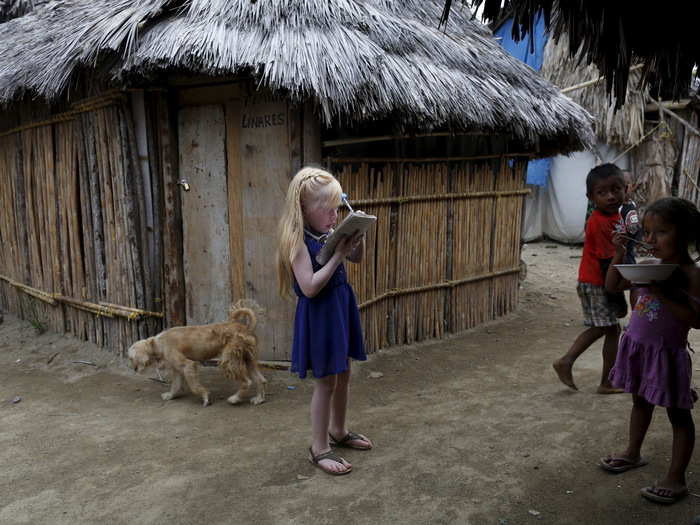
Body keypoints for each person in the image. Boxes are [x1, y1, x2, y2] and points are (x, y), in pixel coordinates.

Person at [600, 197, 700, 504]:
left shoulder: (692, 274)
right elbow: (613, 286)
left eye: (661, 232)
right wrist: (618, 253)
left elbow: (697, 320)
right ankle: (633, 452)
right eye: (646, 232)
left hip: (667, 355)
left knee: (678, 415)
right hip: (639, 350)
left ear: (684, 235)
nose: (650, 239)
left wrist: (664, 294)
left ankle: (676, 478)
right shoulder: (649, 267)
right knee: (639, 403)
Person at [276, 166, 372, 476]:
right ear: (304, 208)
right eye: (327, 210)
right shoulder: (297, 242)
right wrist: (338, 256)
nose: (334, 216)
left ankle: (338, 430)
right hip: (320, 315)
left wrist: (358, 237)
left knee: (343, 373)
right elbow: (309, 286)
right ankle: (318, 448)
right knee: (326, 381)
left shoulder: (328, 232)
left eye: (336, 209)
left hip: (340, 307)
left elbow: (357, 258)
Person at [552, 163, 626, 393]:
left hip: (600, 279)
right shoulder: (599, 223)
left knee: (608, 328)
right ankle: (601, 379)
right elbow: (607, 264)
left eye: (615, 189)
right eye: (602, 193)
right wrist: (618, 294)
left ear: (626, 188)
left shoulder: (617, 215)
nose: (610, 196)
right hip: (597, 282)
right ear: (590, 197)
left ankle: (578, 365)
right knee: (608, 329)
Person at [620, 170, 643, 308]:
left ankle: (635, 315)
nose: (624, 189)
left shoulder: (632, 205)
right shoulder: (616, 208)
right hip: (618, 253)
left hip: (629, 252)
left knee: (635, 284)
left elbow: (634, 225)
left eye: (626, 185)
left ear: (632, 186)